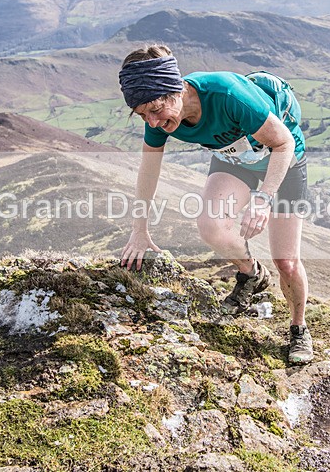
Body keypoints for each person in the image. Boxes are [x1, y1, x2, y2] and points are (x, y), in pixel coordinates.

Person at [118, 44, 313, 365]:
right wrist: (139, 229)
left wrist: (263, 198)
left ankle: (298, 328)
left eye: (155, 111)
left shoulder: (228, 94)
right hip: (235, 161)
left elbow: (284, 143)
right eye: (142, 115)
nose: (152, 122)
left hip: (283, 161)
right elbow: (148, 167)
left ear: (175, 89)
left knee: (287, 261)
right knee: (211, 227)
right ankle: (251, 274)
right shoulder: (157, 108)